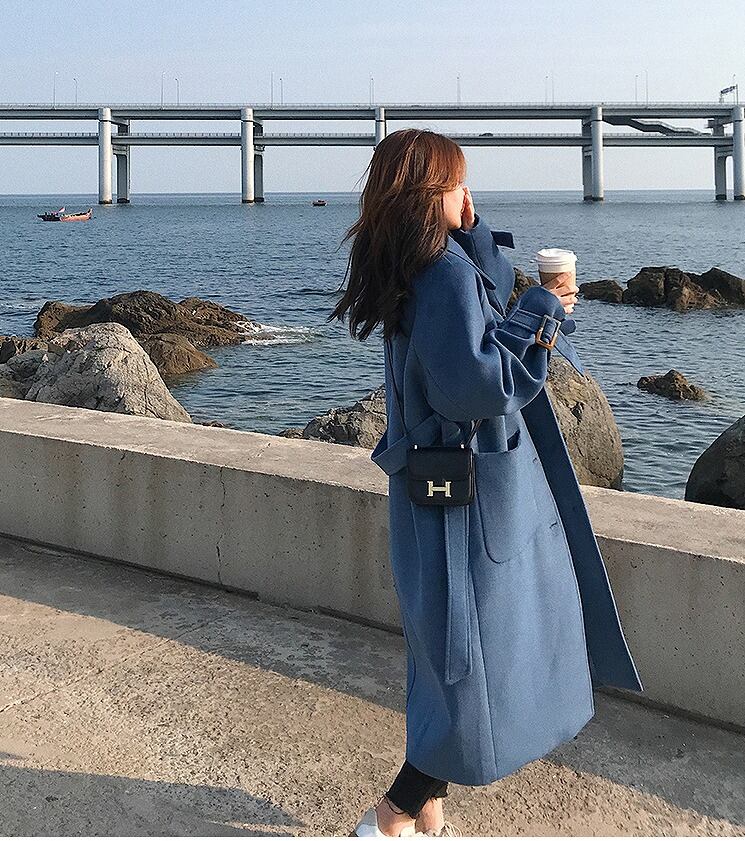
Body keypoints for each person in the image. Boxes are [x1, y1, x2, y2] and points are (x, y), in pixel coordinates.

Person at [328, 129, 643, 837]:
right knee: (472, 666)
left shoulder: (418, 263)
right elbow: (478, 386)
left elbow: (481, 313)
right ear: (426, 194)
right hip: (469, 501)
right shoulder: (439, 274)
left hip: (442, 490)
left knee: (454, 659)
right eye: (455, 184)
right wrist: (547, 311)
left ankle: (424, 807)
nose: (466, 194)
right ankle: (391, 813)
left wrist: (474, 237)